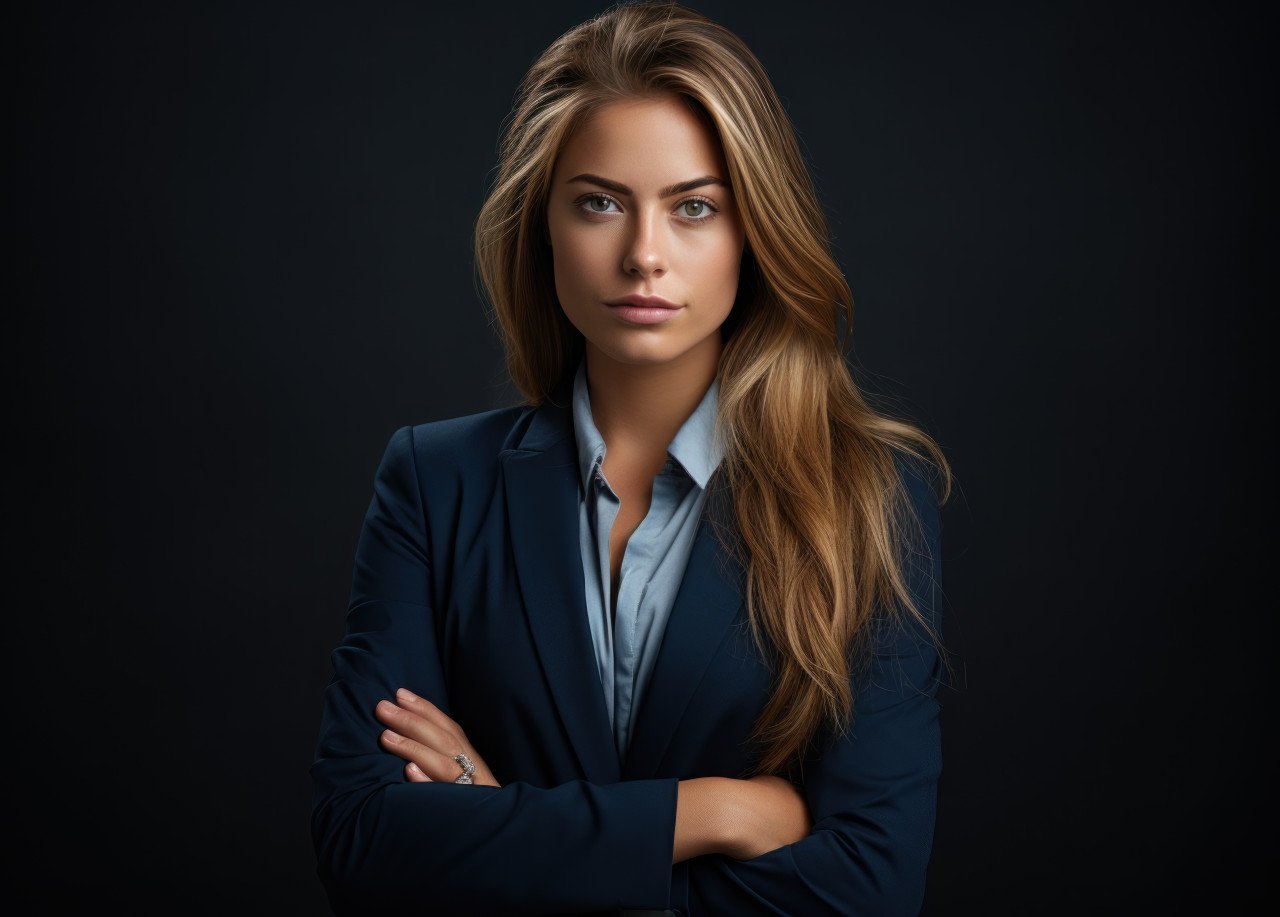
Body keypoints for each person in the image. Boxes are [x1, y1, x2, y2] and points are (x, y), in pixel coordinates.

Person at [309, 2, 953, 914]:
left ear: (753, 234)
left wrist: (500, 825)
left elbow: (866, 890)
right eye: (600, 203)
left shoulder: (869, 496)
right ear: (543, 227)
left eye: (694, 207)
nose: (643, 255)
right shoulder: (434, 480)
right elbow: (362, 842)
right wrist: (713, 809)